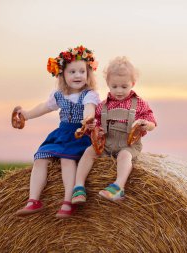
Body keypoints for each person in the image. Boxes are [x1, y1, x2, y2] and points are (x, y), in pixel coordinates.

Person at [13, 45, 100, 218]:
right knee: (40, 157)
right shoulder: (59, 94)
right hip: (61, 133)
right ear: (62, 75)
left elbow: (89, 109)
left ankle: (68, 202)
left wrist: (87, 119)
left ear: (88, 74)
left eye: (82, 71)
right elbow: (44, 107)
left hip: (79, 134)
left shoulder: (89, 95)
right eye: (72, 72)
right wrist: (27, 115)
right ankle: (33, 200)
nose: (77, 75)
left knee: (67, 160)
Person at [71, 56, 157, 204]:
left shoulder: (139, 104)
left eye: (124, 87)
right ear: (108, 84)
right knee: (89, 152)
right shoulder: (102, 106)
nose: (119, 91)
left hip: (128, 145)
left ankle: (119, 187)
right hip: (106, 143)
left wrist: (146, 124)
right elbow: (95, 125)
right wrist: (93, 128)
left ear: (133, 84)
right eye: (114, 86)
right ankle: (78, 186)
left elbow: (152, 122)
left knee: (124, 156)